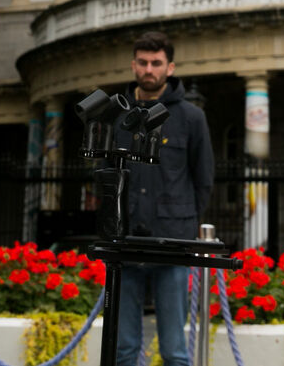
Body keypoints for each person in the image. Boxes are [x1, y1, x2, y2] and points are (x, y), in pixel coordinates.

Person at [114, 30, 214, 366]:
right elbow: (104, 176)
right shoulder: (118, 117)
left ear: (169, 68)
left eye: (156, 63)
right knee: (123, 349)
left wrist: (183, 221)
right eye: (142, 62)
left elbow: (203, 180)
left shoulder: (191, 118)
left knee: (174, 350)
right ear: (133, 65)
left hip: (172, 242)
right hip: (124, 240)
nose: (149, 69)